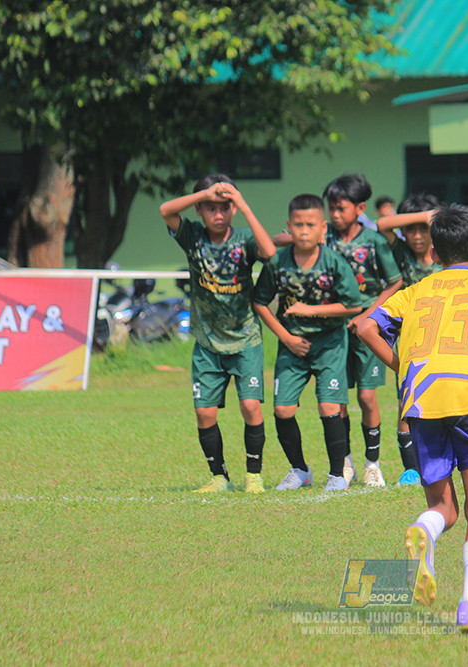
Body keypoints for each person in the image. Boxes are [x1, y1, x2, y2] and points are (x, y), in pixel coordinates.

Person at [356, 203, 468, 634]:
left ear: (434, 254)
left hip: (420, 400)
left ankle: (425, 531)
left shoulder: (416, 291)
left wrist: (405, 368)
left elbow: (364, 327)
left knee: (443, 507)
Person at [158, 174, 276, 494]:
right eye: (209, 208)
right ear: (199, 210)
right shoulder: (192, 236)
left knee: (251, 406)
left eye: (224, 207)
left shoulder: (243, 240)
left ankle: (254, 475)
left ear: (233, 209)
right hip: (208, 342)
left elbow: (268, 252)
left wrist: (245, 206)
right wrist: (204, 193)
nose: (218, 214)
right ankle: (219, 477)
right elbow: (166, 209)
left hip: (246, 339)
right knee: (204, 412)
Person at [252, 194, 364, 492]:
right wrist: (286, 337)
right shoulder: (277, 263)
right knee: (282, 410)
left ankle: (338, 475)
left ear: (323, 228)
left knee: (329, 407)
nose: (304, 230)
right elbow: (260, 302)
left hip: (329, 345)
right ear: (288, 227)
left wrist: (311, 310)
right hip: (293, 346)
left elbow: (353, 305)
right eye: (298, 224)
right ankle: (300, 470)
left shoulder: (334, 262)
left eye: (310, 224)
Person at [322, 173, 402, 488]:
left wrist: (368, 315)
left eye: (341, 208)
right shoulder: (322, 239)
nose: (335, 214)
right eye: (331, 208)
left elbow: (394, 282)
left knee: (368, 397)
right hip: (333, 330)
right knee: (337, 398)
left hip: (367, 330)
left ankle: (372, 464)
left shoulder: (374, 241)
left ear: (360, 208)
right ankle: (345, 463)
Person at [375, 193, 443, 486]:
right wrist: (422, 216)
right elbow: (382, 225)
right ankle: (411, 469)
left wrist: (434, 218)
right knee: (408, 400)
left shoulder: (445, 253)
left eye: (424, 229)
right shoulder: (400, 253)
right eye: (411, 229)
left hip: (443, 335)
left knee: (442, 397)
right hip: (410, 337)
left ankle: (442, 458)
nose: (417, 236)